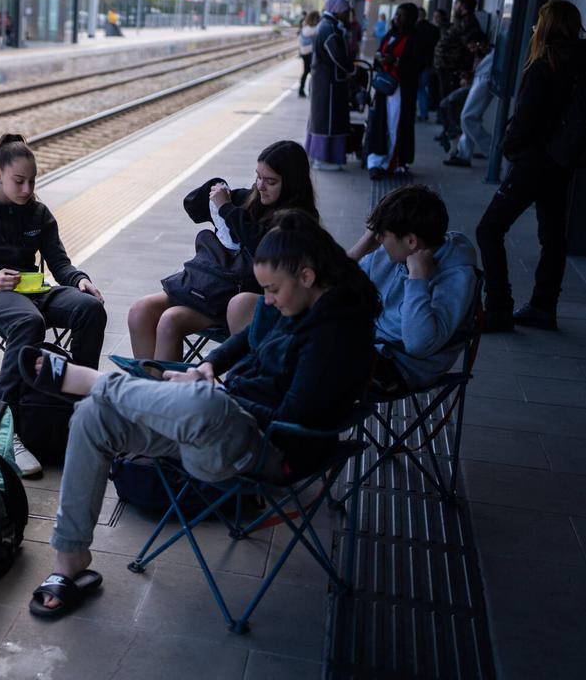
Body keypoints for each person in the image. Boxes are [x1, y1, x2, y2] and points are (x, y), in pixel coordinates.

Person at [26, 211, 379, 618]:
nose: (266, 299)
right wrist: (210, 366)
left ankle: (96, 381)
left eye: (273, 290)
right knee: (92, 416)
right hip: (218, 425)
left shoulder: (338, 335)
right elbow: (248, 338)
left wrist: (220, 394)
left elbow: (289, 416)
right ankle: (69, 563)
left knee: (203, 403)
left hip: (271, 450)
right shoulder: (287, 304)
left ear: (306, 276)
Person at [0, 134, 106, 475]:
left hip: (33, 290)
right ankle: (9, 429)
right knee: (29, 322)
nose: (27, 189)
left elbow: (59, 263)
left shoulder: (38, 213)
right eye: (19, 181)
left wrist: (80, 280)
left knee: (89, 309)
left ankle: (82, 409)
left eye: (32, 181)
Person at [128, 140, 319, 360]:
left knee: (170, 321)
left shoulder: (300, 219)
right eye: (258, 176)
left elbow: (264, 248)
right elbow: (194, 208)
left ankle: (164, 391)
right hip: (206, 285)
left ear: (292, 183)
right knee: (139, 311)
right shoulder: (251, 198)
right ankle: (145, 388)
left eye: (270, 181)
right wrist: (215, 188)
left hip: (238, 296)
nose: (260, 186)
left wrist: (227, 209)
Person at [476, 0, 586, 332]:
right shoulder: (585, 64)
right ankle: (544, 306)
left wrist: (510, 149)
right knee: (554, 236)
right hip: (563, 163)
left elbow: (525, 122)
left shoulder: (544, 66)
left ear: (546, 26)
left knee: (489, 229)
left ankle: (498, 306)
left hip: (533, 162)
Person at [346, 185, 479, 395]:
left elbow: (419, 344)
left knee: (310, 367)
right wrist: (358, 251)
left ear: (411, 241)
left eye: (382, 234)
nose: (377, 239)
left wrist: (417, 279)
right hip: (367, 346)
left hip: (402, 368)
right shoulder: (392, 252)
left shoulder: (456, 276)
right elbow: (331, 291)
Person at [366, 3, 422, 179]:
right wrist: (379, 58)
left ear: (411, 18)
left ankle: (392, 161)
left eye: (401, 15)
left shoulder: (415, 39)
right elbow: (379, 53)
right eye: (396, 14)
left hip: (402, 90)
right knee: (381, 123)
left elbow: (418, 64)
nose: (396, 18)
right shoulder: (391, 34)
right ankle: (377, 160)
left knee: (395, 125)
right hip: (385, 88)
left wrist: (395, 61)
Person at [306, 0, 355, 171]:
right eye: (345, 10)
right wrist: (352, 69)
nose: (348, 14)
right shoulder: (330, 29)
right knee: (328, 119)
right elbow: (338, 57)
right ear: (337, 10)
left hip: (325, 82)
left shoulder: (326, 26)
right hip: (329, 84)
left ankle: (320, 156)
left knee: (322, 117)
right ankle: (323, 158)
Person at [445, 32, 494, 167]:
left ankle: (491, 150)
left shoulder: (492, 56)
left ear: (481, 44)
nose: (472, 51)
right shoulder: (484, 56)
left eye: (473, 47)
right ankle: (464, 154)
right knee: (468, 118)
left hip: (483, 84)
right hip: (479, 82)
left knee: (468, 117)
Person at [434, 0, 482, 99]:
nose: (455, 6)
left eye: (457, 3)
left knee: (449, 102)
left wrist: (463, 73)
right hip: (447, 67)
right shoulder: (461, 21)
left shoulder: (468, 23)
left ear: (462, 5)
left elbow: (470, 50)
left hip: (453, 70)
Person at [414, 6, 441, 120]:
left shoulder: (413, 29)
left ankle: (413, 112)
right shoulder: (434, 29)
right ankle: (424, 113)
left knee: (414, 89)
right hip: (428, 63)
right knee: (422, 89)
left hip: (415, 64)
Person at [298, 11, 320, 98]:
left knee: (306, 71)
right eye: (317, 18)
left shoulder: (305, 27)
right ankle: (310, 91)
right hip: (309, 52)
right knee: (311, 72)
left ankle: (302, 90)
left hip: (304, 52)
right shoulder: (313, 29)